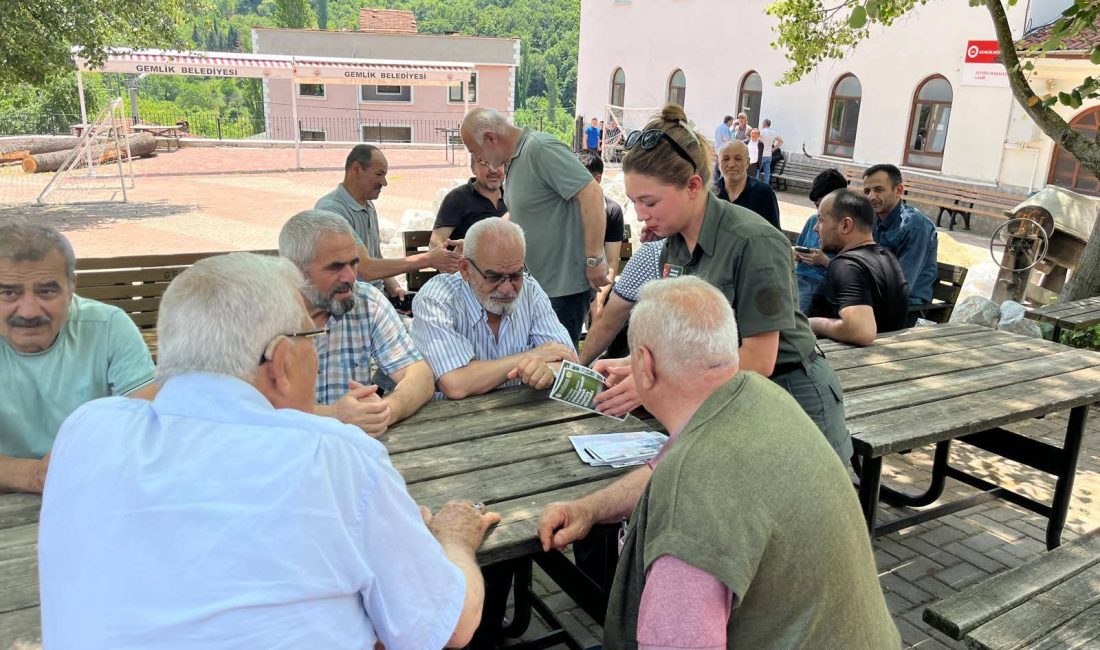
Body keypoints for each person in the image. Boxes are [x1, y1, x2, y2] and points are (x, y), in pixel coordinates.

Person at [38, 252, 499, 649]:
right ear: (280, 362)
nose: (316, 354)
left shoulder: (84, 432)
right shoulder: (334, 456)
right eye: (310, 338)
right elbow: (450, 627)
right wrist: (451, 539)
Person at [537, 277, 901, 649]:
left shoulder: (693, 500)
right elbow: (660, 471)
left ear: (644, 365)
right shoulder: (759, 397)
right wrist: (591, 509)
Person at [594, 105, 852, 462]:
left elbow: (760, 359)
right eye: (635, 201)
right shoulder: (673, 244)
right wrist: (630, 366)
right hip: (728, 396)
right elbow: (690, 344)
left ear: (693, 186)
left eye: (649, 201)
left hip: (791, 397)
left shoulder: (754, 241)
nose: (639, 214)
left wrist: (655, 384)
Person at [0, 222, 155, 494]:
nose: (27, 311)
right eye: (8, 292)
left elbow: (150, 420)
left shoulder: (109, 326)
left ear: (72, 287)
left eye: (46, 291)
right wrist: (31, 474)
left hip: (93, 487)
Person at [461, 108, 610, 345]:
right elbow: (525, 212)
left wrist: (594, 258)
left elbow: (591, 192)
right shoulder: (513, 160)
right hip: (538, 287)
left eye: (476, 152)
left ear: (490, 138)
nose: (480, 160)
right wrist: (478, 244)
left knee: (555, 363)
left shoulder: (540, 149)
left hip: (563, 288)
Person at [279, 210, 435, 437]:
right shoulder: (257, 314)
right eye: (335, 267)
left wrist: (383, 411)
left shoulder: (366, 301)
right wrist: (334, 416)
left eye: (354, 264)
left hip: (354, 451)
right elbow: (240, 408)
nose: (350, 277)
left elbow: (420, 376)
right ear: (293, 270)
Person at [411, 218, 577, 399]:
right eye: (494, 277)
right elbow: (456, 383)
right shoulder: (436, 299)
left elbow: (568, 362)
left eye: (516, 275)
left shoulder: (530, 290)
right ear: (465, 269)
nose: (507, 288)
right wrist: (530, 357)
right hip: (452, 420)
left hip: (525, 414)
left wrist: (547, 371)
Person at [316, 144, 460, 298]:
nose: (384, 182)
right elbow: (367, 268)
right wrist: (427, 259)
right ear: (356, 169)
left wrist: (396, 289)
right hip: (352, 305)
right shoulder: (331, 211)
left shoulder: (368, 205)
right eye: (379, 174)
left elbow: (376, 258)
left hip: (376, 298)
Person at [807, 189, 911, 345]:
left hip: (843, 362)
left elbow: (861, 331)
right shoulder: (887, 258)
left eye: (821, 220)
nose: (815, 228)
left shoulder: (846, 265)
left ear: (846, 225)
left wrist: (811, 324)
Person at [861, 163, 938, 317]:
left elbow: (900, 286)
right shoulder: (872, 220)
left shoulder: (915, 226)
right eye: (867, 191)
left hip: (904, 308)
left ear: (899, 190)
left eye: (879, 190)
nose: (871, 197)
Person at [579, 239, 664, 366]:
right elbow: (607, 324)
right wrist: (578, 366)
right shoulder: (652, 254)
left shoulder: (655, 253)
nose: (641, 218)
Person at [793, 169, 850, 313]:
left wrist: (824, 261)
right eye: (816, 205)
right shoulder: (813, 220)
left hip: (820, 282)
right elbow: (798, 248)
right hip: (798, 277)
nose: (818, 211)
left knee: (795, 315)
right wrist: (797, 254)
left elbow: (851, 274)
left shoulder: (849, 228)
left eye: (822, 205)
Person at [578, 151, 625, 322]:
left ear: (597, 180)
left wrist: (599, 298)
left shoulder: (612, 211)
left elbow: (612, 262)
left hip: (598, 281)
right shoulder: (564, 209)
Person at [429, 157, 507, 251]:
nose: (494, 170)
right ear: (473, 168)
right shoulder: (457, 198)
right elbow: (436, 245)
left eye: (499, 163)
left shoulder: (513, 197)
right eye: (485, 163)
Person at [715, 140, 782, 230]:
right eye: (725, 159)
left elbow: (773, 234)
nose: (731, 164)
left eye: (738, 159)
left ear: (747, 162)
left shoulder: (763, 193)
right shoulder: (711, 193)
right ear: (719, 164)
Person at [757, 118, 784, 186]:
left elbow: (757, 141)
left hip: (762, 155)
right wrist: (773, 149)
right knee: (767, 172)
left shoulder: (762, 132)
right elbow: (781, 141)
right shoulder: (773, 132)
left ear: (764, 124)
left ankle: (756, 185)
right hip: (769, 155)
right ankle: (766, 186)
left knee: (757, 170)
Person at [712, 114, 734, 183]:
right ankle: (721, 184)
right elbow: (728, 140)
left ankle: (716, 184)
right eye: (731, 121)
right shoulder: (725, 128)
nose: (732, 123)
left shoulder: (718, 128)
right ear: (729, 121)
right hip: (724, 151)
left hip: (718, 150)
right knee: (723, 169)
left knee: (717, 170)